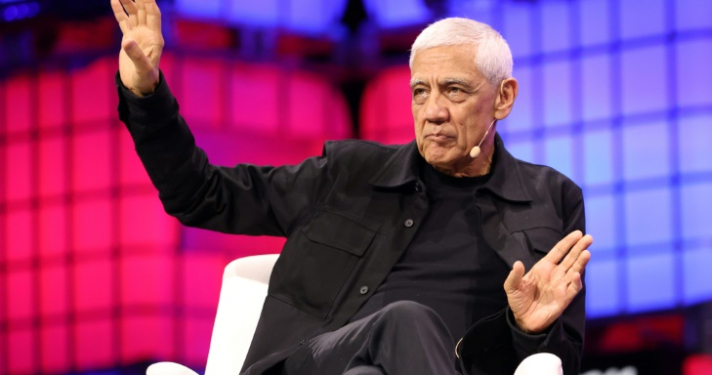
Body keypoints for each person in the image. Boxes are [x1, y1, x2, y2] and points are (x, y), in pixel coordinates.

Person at [110, 0, 593, 374]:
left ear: (503, 98)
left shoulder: (550, 199)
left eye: (454, 90)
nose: (433, 111)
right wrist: (145, 94)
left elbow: (558, 364)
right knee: (407, 319)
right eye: (420, 92)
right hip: (310, 365)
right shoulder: (350, 173)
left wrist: (531, 330)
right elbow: (202, 196)